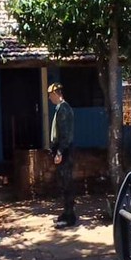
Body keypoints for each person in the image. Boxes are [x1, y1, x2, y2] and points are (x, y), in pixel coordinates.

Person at [47, 82, 76, 228]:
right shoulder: (60, 109)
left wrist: (59, 152)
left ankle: (70, 216)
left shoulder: (63, 110)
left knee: (67, 184)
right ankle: (67, 212)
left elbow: (65, 135)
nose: (49, 98)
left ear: (56, 94)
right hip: (63, 150)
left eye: (51, 95)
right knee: (64, 184)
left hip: (65, 151)